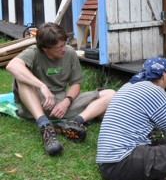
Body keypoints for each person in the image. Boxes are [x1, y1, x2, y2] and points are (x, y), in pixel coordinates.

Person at [6, 22, 116, 157]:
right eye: (59, 47)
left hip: (60, 104)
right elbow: (12, 66)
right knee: (21, 79)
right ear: (45, 48)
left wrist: (66, 102)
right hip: (35, 103)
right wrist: (42, 86)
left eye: (65, 43)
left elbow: (76, 84)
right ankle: (45, 126)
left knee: (110, 94)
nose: (64, 48)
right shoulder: (34, 51)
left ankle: (74, 122)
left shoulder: (69, 52)